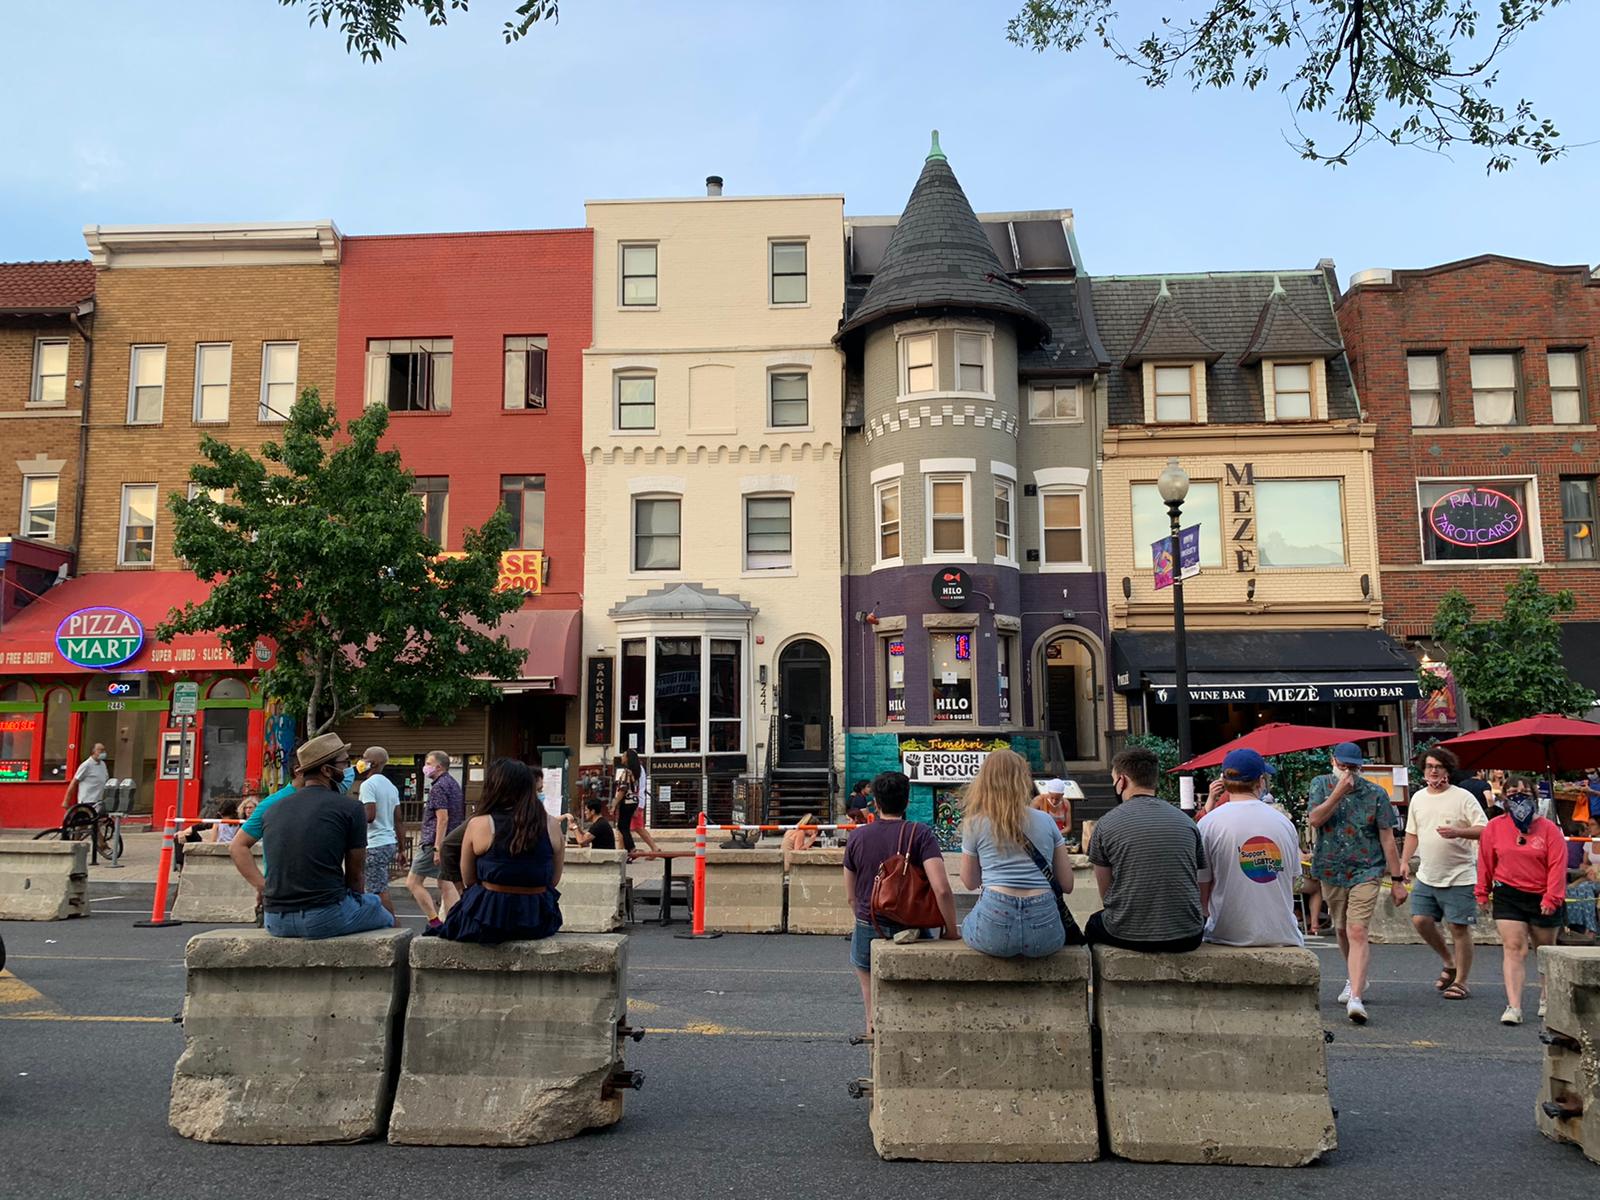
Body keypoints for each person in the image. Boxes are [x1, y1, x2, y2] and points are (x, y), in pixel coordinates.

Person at [227, 733, 394, 939]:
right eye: (344, 763)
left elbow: (237, 846)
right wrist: (356, 905)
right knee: (381, 912)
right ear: (326, 770)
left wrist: (264, 887)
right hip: (325, 916)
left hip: (275, 920)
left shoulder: (272, 808)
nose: (347, 770)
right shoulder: (350, 808)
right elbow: (355, 876)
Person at [841, 770, 958, 1036]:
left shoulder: (857, 837)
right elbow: (942, 889)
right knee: (919, 1006)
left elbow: (850, 895)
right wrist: (951, 930)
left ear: (876, 803)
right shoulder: (920, 834)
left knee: (872, 1007)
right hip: (914, 925)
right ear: (907, 802)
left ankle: (877, 1071)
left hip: (870, 925)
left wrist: (863, 919)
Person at [1309, 743, 1407, 1024]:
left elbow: (1387, 838)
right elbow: (1315, 819)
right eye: (1343, 766)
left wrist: (1397, 879)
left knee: (1357, 930)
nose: (1348, 772)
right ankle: (1355, 978)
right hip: (1331, 868)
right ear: (1333, 762)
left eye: (1352, 767)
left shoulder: (1375, 793)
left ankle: (1355, 996)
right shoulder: (1320, 785)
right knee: (1341, 929)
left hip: (1367, 868)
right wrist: (1338, 793)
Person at [1085, 746, 1206, 953]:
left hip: (1128, 934)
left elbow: (1106, 895)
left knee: (1092, 924)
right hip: (1189, 934)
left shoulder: (1106, 824)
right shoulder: (1186, 823)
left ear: (1121, 781)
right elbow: (1193, 879)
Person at [435, 759, 563, 944]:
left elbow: (468, 878)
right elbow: (554, 879)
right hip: (538, 917)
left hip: (490, 916)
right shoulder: (551, 824)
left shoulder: (480, 823)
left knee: (443, 928)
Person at [960, 749, 1073, 958]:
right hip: (1044, 930)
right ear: (1023, 781)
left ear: (984, 782)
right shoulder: (1046, 821)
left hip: (994, 922)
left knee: (967, 924)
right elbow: (1067, 884)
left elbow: (969, 882)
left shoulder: (974, 824)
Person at [1478, 775, 1568, 1024]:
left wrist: (1552, 897)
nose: (1519, 796)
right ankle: (1514, 1006)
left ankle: (1547, 997)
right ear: (1504, 796)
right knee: (1513, 947)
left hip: (1542, 894)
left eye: (1525, 792)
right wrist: (1482, 891)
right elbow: (1486, 861)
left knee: (1544, 950)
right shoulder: (1495, 827)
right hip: (1509, 893)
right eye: (1514, 791)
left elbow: (1557, 866)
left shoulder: (1550, 830)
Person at [1400, 746, 1488, 1001]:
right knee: (1420, 920)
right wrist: (1405, 862)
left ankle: (1461, 980)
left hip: (1460, 875)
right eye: (1429, 766)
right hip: (1428, 874)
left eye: (1438, 766)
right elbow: (1412, 833)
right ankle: (1448, 961)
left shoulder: (1462, 797)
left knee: (1459, 928)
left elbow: (1484, 828)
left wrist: (1459, 832)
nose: (1433, 770)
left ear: (1447, 770)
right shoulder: (1418, 798)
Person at [1196, 749, 1303, 948]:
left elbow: (1202, 891)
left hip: (1224, 933)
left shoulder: (1208, 824)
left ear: (1224, 781)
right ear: (1260, 781)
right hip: (1282, 934)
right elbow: (1293, 880)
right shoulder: (1284, 823)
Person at [405, 750, 465, 930]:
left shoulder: (438, 787)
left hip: (433, 842)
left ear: (438, 766)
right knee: (446, 883)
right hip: (452, 840)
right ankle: (454, 920)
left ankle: (434, 921)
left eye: (428, 763)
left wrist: (437, 847)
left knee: (413, 882)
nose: (426, 767)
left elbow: (442, 818)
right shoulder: (453, 784)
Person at [358, 746, 404, 917]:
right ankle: (375, 921)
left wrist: (352, 826)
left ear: (374, 763)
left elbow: (369, 815)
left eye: (364, 758)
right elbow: (398, 819)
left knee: (378, 890)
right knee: (373, 887)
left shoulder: (368, 785)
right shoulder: (391, 786)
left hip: (374, 843)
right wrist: (401, 849)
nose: (360, 762)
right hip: (388, 842)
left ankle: (393, 925)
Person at [1563, 818, 1600, 938]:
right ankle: (1576, 925)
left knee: (1585, 888)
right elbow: (1583, 863)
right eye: (1588, 825)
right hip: (1590, 876)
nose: (1589, 828)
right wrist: (1588, 868)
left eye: (1593, 825)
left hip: (1597, 877)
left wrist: (1595, 868)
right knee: (1570, 889)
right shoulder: (1589, 841)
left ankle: (1591, 928)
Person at [622, 748, 663, 855]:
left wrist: (635, 807)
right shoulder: (638, 769)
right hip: (637, 802)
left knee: (629, 828)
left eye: (623, 755)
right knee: (633, 828)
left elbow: (635, 788)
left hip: (634, 803)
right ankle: (653, 848)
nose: (622, 757)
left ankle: (624, 852)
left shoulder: (634, 771)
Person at [62, 743, 108, 810]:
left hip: (99, 801)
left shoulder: (103, 764)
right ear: (93, 751)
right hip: (87, 801)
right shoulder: (86, 765)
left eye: (104, 750)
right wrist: (66, 801)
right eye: (100, 750)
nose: (103, 753)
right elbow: (74, 782)